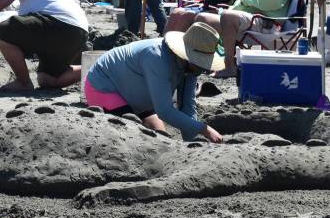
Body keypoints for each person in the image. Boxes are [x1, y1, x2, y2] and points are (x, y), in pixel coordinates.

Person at [86, 22, 226, 142]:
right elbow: (164, 111)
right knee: (133, 137)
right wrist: (204, 129)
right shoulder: (156, 57)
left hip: (138, 97)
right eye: (202, 64)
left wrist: (193, 142)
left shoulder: (192, 67)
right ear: (189, 56)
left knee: (162, 139)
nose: (204, 69)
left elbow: (187, 106)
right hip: (104, 85)